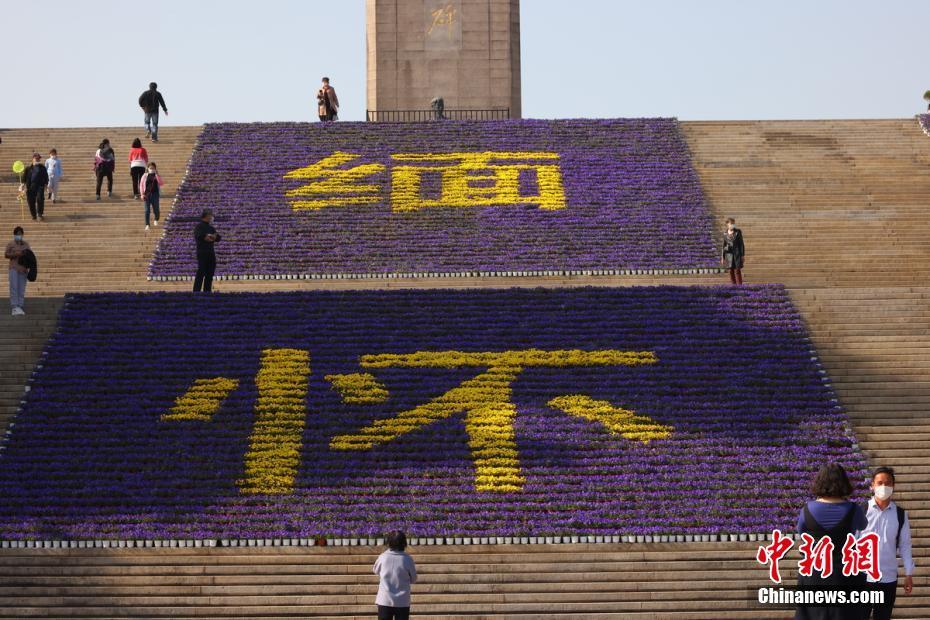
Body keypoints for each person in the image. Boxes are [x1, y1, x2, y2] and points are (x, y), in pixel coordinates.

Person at [795, 463, 868, 620]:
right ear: (844, 482)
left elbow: (801, 532)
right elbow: (863, 525)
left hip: (814, 573)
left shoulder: (807, 509)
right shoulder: (854, 509)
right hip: (845, 574)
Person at [862, 467, 914, 620]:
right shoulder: (862, 511)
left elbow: (905, 545)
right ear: (872, 485)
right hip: (863, 577)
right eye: (879, 483)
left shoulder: (900, 514)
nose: (883, 487)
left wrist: (908, 573)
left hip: (888, 578)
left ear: (893, 486)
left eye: (888, 483)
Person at [373, 530, 417, 620]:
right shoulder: (407, 559)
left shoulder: (383, 557)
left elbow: (375, 570)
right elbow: (414, 578)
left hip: (385, 599)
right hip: (402, 600)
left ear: (389, 542)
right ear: (404, 543)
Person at [193, 208, 221, 292]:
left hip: (210, 252)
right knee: (201, 272)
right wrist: (209, 236)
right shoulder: (199, 226)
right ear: (206, 216)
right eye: (210, 215)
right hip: (202, 252)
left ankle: (207, 292)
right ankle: (196, 291)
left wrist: (213, 237)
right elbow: (200, 236)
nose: (212, 217)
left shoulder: (211, 228)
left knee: (210, 273)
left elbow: (218, 237)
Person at [5, 227, 30, 316]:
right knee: (14, 287)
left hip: (23, 269)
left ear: (22, 234)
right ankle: (15, 306)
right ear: (14, 235)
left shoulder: (26, 244)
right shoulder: (11, 244)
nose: (19, 235)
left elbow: (30, 255)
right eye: (17, 234)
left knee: (21, 288)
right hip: (14, 268)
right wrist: (15, 254)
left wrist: (24, 255)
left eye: (20, 233)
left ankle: (20, 305)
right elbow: (6, 254)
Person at [20, 153, 48, 221]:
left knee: (40, 199)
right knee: (30, 202)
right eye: (36, 158)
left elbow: (46, 177)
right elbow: (24, 178)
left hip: (40, 187)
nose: (37, 160)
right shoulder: (28, 168)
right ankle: (33, 215)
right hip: (30, 187)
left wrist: (46, 186)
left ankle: (40, 214)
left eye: (38, 159)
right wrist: (22, 185)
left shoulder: (42, 168)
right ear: (33, 159)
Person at [139, 163, 164, 230]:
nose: (151, 169)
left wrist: (156, 175)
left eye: (153, 168)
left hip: (155, 194)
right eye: (150, 168)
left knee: (156, 209)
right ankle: (147, 224)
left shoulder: (156, 176)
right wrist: (142, 194)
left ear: (155, 169)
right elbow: (141, 185)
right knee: (147, 210)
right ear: (147, 168)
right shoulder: (144, 175)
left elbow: (161, 183)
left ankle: (156, 219)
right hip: (146, 195)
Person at [721, 217, 745, 285]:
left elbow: (741, 244)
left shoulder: (738, 232)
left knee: (737, 270)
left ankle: (739, 286)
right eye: (731, 223)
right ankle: (733, 286)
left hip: (737, 254)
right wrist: (722, 257)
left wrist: (742, 255)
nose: (733, 225)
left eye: (733, 223)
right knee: (731, 271)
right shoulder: (725, 233)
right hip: (728, 255)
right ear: (727, 224)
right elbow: (723, 246)